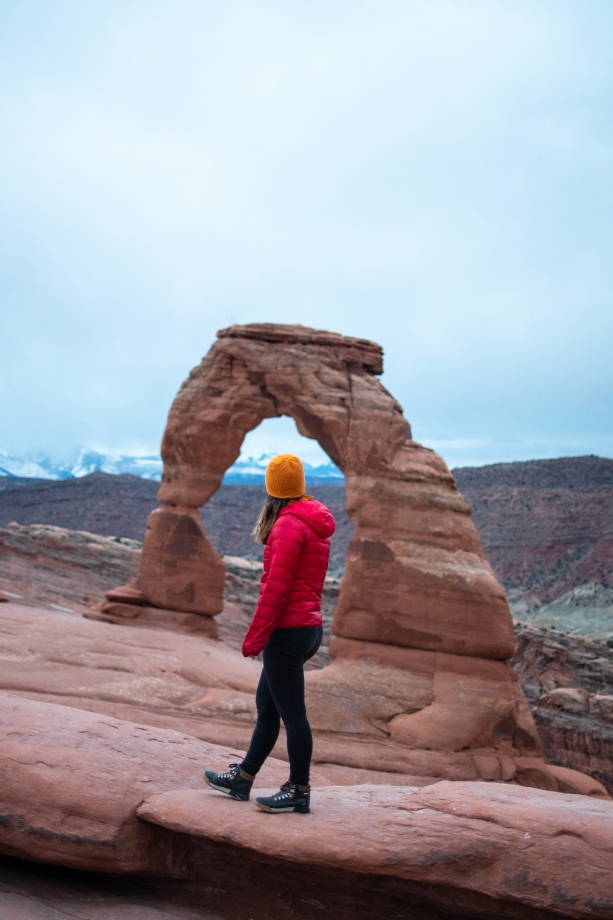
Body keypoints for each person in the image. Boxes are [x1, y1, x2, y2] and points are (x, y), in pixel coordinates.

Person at [204, 453, 335, 814]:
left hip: (288, 632)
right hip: (308, 628)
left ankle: (299, 790)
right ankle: (242, 779)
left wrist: (255, 638)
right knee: (268, 708)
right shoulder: (312, 521)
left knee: (293, 716)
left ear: (272, 489)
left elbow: (275, 590)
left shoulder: (288, 525)